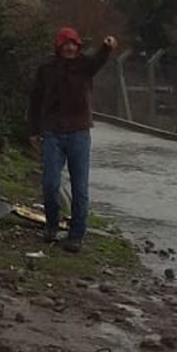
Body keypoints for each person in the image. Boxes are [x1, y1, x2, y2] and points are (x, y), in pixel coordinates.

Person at [27, 25, 117, 253]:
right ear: (59, 46)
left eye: (73, 44)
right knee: (50, 184)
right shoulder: (46, 69)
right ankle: (51, 225)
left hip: (79, 132)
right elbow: (36, 99)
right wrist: (33, 130)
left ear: (78, 46)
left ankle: (76, 235)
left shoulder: (85, 66)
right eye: (65, 44)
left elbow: (98, 60)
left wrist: (106, 48)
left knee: (80, 188)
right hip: (52, 132)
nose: (69, 48)